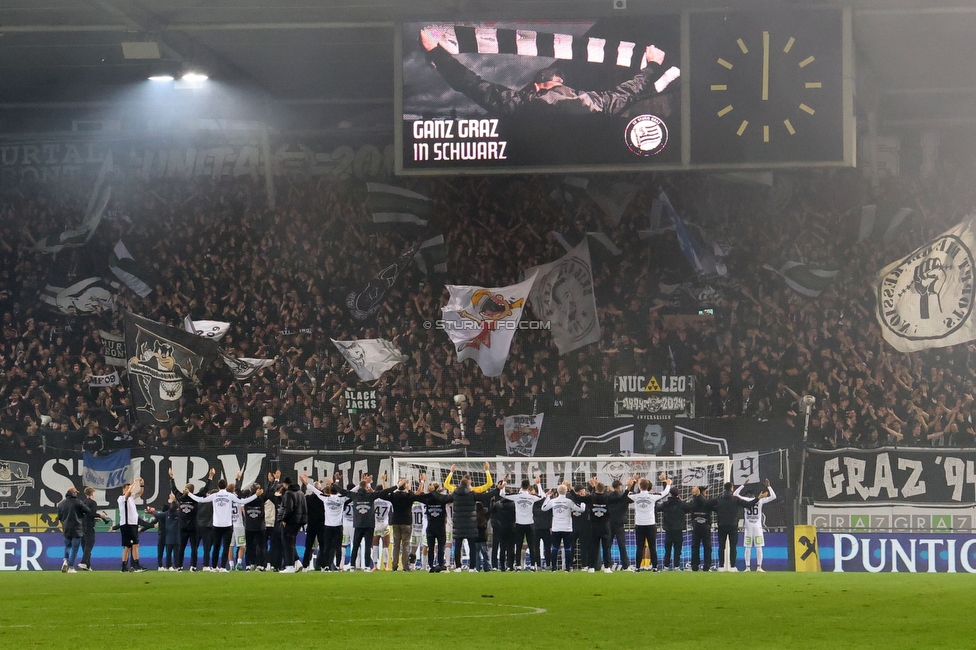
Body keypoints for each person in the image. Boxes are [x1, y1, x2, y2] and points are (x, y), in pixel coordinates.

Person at [419, 28, 676, 117]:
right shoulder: (591, 102)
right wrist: (652, 65)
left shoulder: (520, 105)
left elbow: (473, 84)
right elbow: (628, 93)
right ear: (554, 81)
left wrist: (436, 53)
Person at [187, 475, 259, 572]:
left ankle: (213, 566)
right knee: (226, 546)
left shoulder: (214, 495)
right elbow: (243, 501)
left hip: (216, 525)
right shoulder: (230, 496)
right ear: (225, 486)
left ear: (218, 487)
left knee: (216, 547)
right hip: (227, 525)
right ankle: (223, 567)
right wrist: (256, 495)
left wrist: (189, 494)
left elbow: (200, 500)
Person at [444, 463, 498, 570]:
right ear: (469, 482)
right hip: (470, 522)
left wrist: (451, 472)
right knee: (471, 545)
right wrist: (487, 470)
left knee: (461, 545)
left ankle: (460, 567)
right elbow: (489, 484)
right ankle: (472, 567)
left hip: (462, 522)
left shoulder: (456, 491)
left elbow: (446, 485)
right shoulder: (473, 492)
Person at [169, 467, 215, 572]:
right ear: (193, 491)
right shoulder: (195, 498)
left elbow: (174, 489)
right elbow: (205, 490)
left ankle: (179, 566)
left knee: (182, 547)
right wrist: (210, 477)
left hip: (182, 527)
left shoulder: (180, 497)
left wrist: (171, 477)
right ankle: (193, 566)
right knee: (194, 548)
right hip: (193, 527)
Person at [301, 474, 349, 571]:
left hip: (312, 525)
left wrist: (305, 483)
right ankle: (325, 565)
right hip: (323, 525)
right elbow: (340, 493)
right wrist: (335, 482)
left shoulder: (312, 498)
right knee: (326, 547)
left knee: (309, 546)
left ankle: (306, 566)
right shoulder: (324, 499)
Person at [628, 473, 672, 571]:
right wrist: (667, 483)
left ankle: (638, 568)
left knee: (639, 547)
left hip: (639, 524)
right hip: (651, 524)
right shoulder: (652, 496)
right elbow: (665, 493)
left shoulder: (635, 496)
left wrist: (633, 482)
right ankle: (655, 567)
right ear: (648, 487)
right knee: (652, 546)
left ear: (639, 486)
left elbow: (628, 492)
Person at [501, 476, 544, 570]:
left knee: (519, 545)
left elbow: (502, 494)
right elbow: (542, 496)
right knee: (532, 545)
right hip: (530, 523)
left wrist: (504, 482)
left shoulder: (517, 496)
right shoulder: (531, 497)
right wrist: (538, 484)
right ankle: (533, 566)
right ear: (529, 486)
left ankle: (518, 566)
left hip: (519, 524)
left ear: (521, 485)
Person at [736, 479, 777, 572]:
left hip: (748, 528)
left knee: (748, 547)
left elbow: (735, 494)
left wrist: (743, 485)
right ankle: (759, 567)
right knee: (759, 547)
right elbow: (774, 496)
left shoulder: (745, 499)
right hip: (758, 527)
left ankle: (747, 567)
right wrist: (769, 487)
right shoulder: (760, 500)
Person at [541, 484, 583, 571]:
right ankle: (568, 568)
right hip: (567, 528)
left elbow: (543, 508)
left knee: (555, 548)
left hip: (556, 528)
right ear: (566, 491)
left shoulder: (553, 501)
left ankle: (553, 568)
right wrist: (582, 502)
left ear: (557, 491)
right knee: (568, 548)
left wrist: (548, 497)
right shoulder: (568, 501)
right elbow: (580, 509)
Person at [714, 482, 749, 572]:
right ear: (731, 488)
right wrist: (758, 498)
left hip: (721, 525)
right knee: (733, 547)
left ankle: (721, 566)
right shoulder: (735, 499)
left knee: (721, 546)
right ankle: (733, 566)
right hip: (733, 526)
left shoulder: (719, 499)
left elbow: (708, 504)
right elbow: (748, 504)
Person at [56, 486, 90, 573]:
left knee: (67, 546)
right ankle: (71, 567)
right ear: (73, 493)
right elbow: (87, 510)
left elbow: (59, 517)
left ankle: (65, 560)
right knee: (75, 548)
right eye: (76, 492)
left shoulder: (61, 504)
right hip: (77, 528)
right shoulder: (78, 502)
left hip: (66, 528)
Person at [118, 478, 148, 573]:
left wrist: (141, 485)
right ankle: (136, 565)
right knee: (135, 544)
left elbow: (139, 493)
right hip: (128, 524)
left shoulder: (131, 498)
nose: (130, 489)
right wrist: (134, 483)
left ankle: (124, 567)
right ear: (123, 489)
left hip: (133, 524)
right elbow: (129, 492)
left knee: (128, 546)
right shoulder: (122, 498)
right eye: (127, 488)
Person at [77, 486, 110, 571]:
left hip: (82, 526)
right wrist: (100, 515)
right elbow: (91, 512)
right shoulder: (93, 503)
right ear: (92, 493)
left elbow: (84, 515)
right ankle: (84, 562)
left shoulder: (82, 502)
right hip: (89, 527)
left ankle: (88, 565)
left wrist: (94, 519)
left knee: (84, 546)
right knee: (89, 545)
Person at [687, 485, 714, 571]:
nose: (706, 494)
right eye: (705, 492)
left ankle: (705, 566)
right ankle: (696, 566)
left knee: (703, 546)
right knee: (699, 546)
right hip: (700, 526)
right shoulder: (696, 501)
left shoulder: (704, 501)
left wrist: (697, 496)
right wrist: (697, 496)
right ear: (701, 492)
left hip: (700, 526)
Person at [607, 479, 632, 571]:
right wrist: (629, 488)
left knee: (608, 545)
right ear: (619, 486)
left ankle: (607, 565)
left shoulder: (608, 496)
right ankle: (626, 566)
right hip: (619, 523)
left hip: (609, 522)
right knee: (622, 545)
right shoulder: (622, 496)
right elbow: (629, 499)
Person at [659, 486, 686, 570]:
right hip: (678, 530)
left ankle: (666, 566)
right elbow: (690, 507)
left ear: (670, 494)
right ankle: (677, 566)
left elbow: (657, 508)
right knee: (677, 550)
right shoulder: (682, 504)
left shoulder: (666, 504)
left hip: (669, 530)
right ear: (678, 494)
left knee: (668, 550)